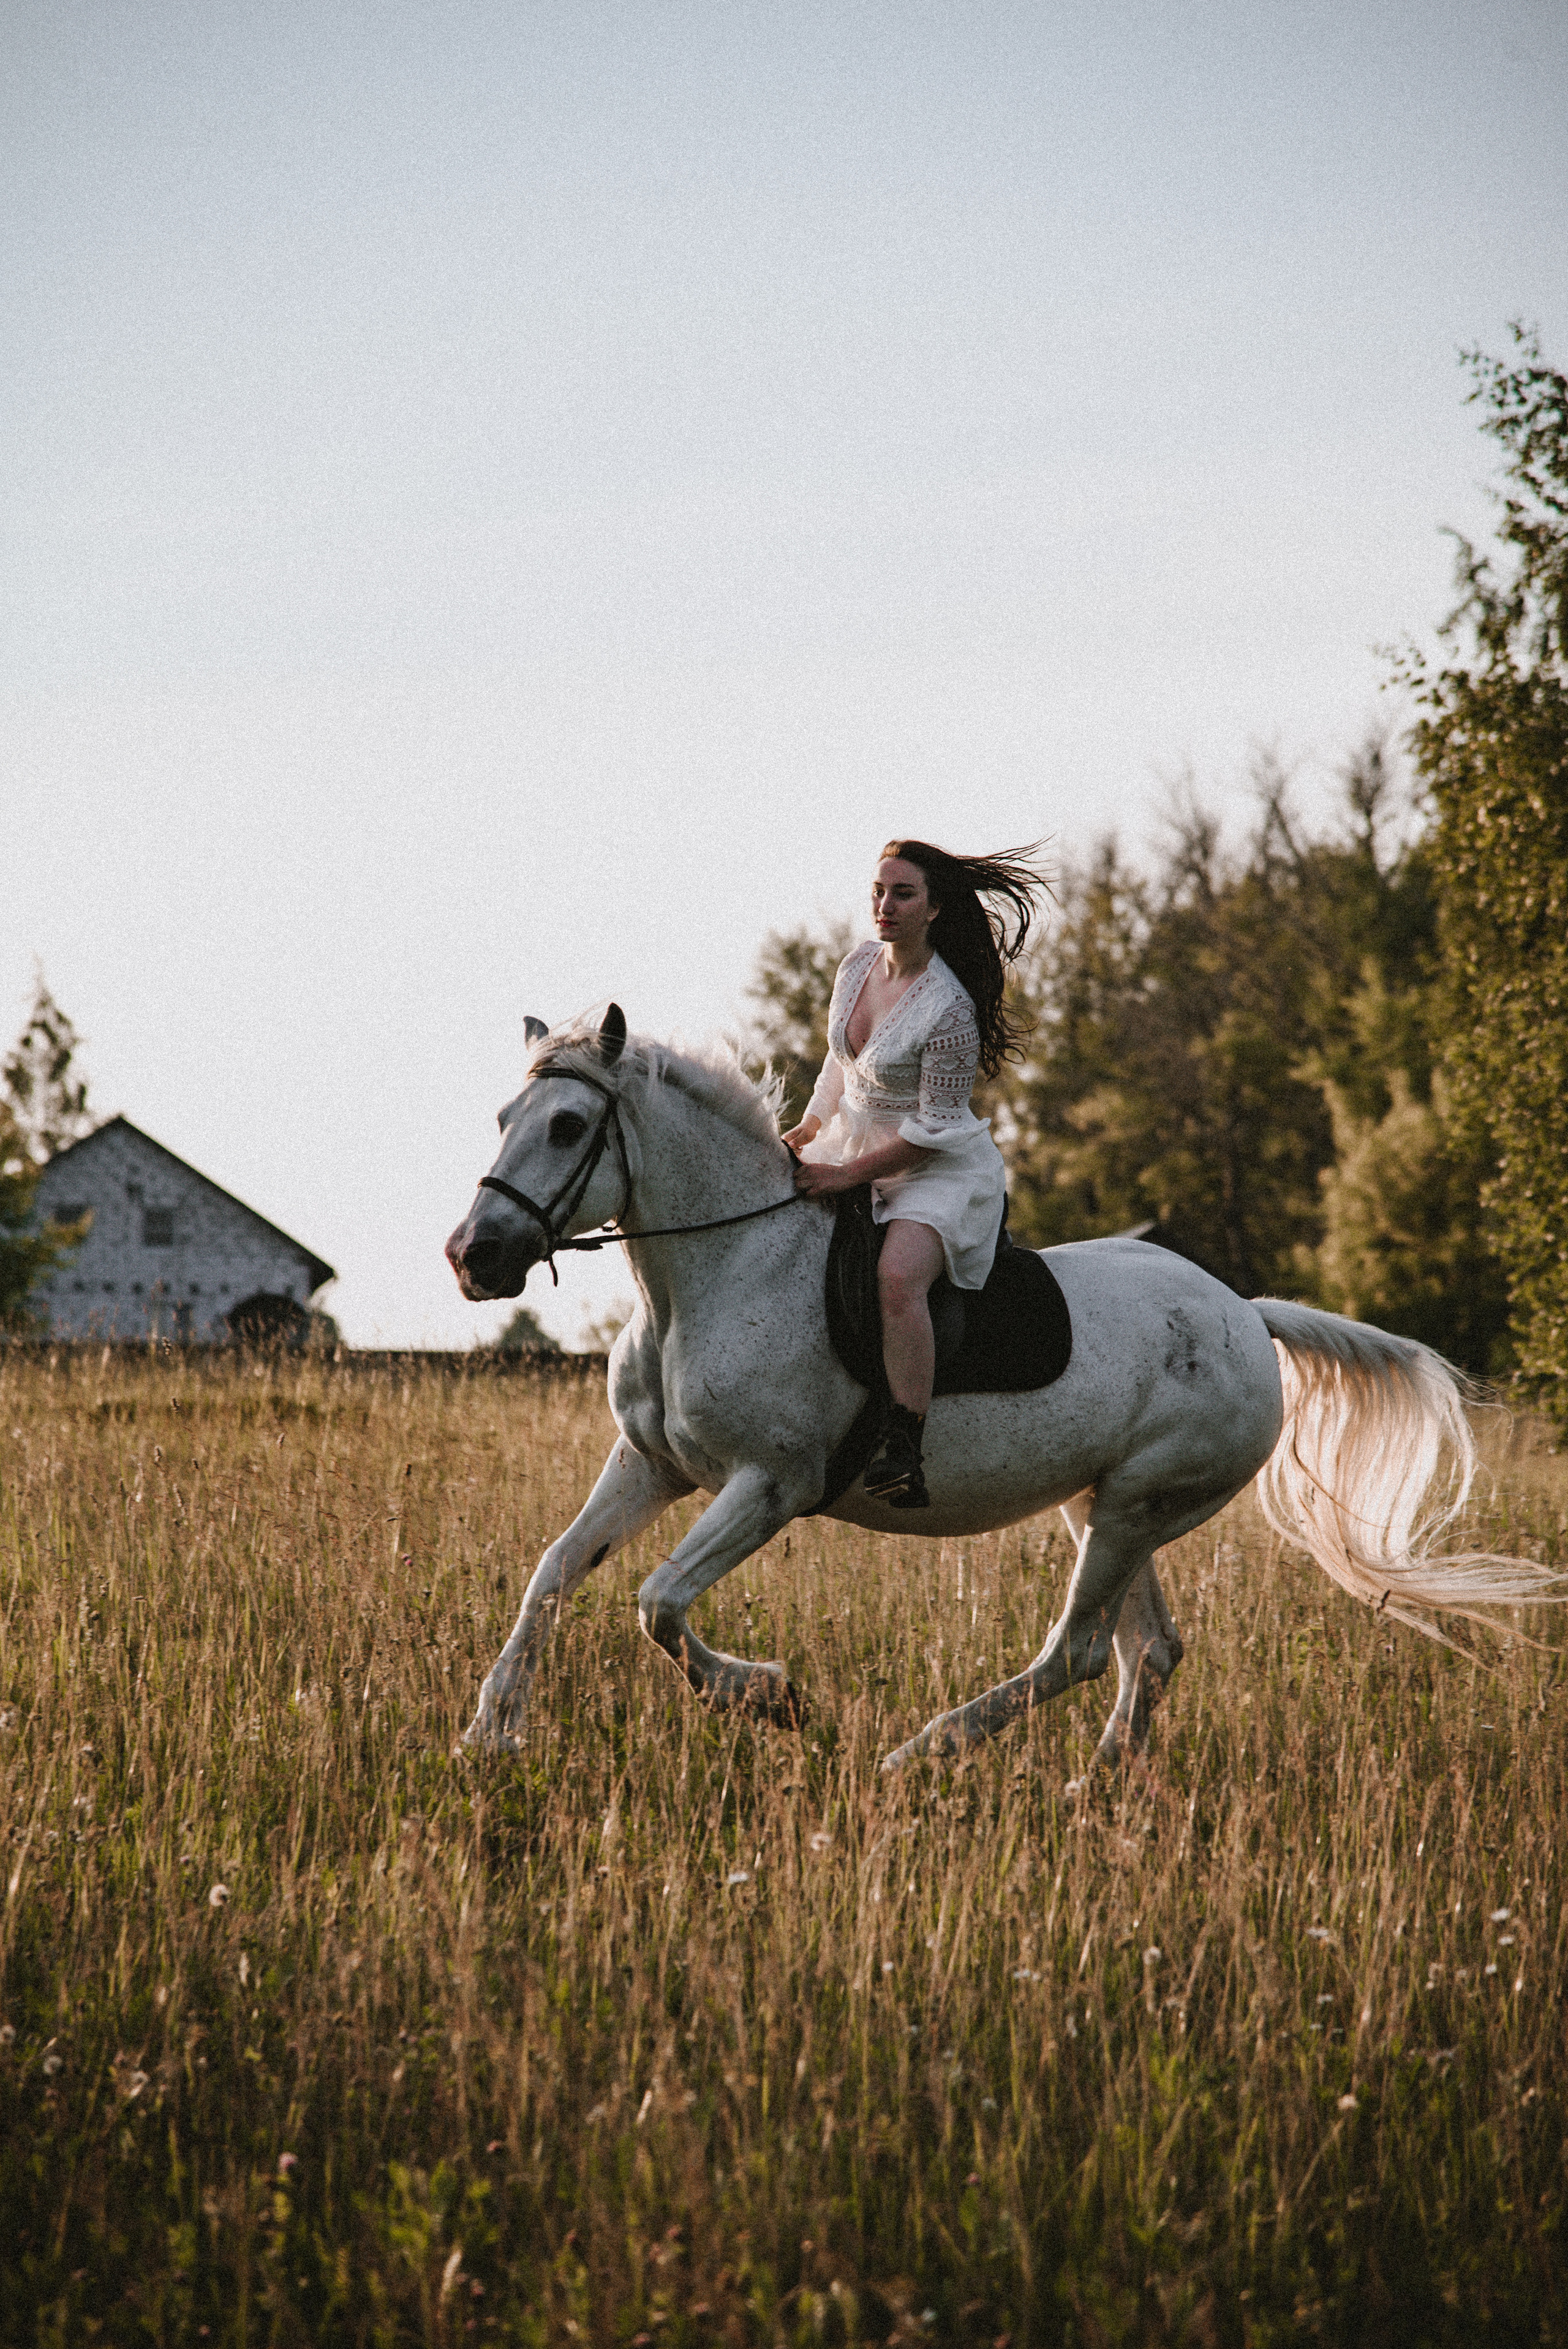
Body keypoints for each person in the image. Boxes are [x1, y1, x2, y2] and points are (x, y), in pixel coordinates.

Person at [783, 838, 1047, 1507]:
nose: (884, 905)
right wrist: (811, 1129)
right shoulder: (856, 966)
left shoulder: (949, 1008)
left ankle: (905, 1444)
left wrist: (844, 1179)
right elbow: (838, 1066)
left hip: (935, 1173)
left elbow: (931, 1135)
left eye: (902, 894)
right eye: (878, 891)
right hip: (850, 1145)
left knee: (897, 1278)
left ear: (933, 910)